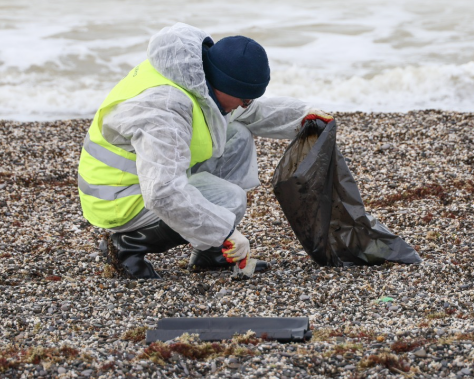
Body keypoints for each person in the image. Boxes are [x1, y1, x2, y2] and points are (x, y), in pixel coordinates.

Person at [77, 22, 333, 279]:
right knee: (229, 200)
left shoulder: (198, 74)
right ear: (223, 84)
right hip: (116, 198)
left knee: (237, 135)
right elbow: (163, 192)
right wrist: (225, 232)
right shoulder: (164, 109)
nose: (246, 104)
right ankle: (127, 246)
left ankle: (210, 252)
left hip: (149, 173)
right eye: (244, 98)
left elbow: (251, 111)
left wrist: (303, 116)